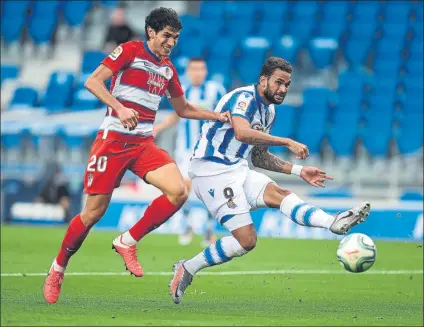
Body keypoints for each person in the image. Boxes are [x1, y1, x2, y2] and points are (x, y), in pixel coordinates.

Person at [43, 7, 231, 304]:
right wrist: (119, 107)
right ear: (151, 32)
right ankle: (57, 269)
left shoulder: (168, 68)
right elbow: (93, 81)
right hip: (113, 141)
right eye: (167, 36)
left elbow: (183, 109)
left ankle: (127, 241)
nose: (171, 42)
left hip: (142, 144)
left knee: (178, 190)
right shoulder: (129, 51)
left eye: (176, 38)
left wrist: (216, 116)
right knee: (93, 213)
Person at [169, 57, 371, 304]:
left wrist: (298, 170)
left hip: (237, 168)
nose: (283, 89)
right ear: (263, 80)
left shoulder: (269, 111)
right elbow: (242, 133)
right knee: (247, 240)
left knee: (281, 194)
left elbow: (259, 157)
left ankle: (333, 222)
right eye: (279, 82)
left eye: (287, 84)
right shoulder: (243, 98)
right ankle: (188, 267)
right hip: (210, 171)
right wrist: (286, 141)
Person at [153, 57, 226, 247]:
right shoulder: (181, 90)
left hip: (210, 149)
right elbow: (176, 115)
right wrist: (158, 128)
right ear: (188, 72)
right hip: (186, 149)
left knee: (210, 189)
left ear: (205, 71)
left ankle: (209, 230)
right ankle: (187, 225)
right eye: (194, 69)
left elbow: (225, 115)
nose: (197, 73)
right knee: (183, 187)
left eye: (201, 69)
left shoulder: (216, 90)